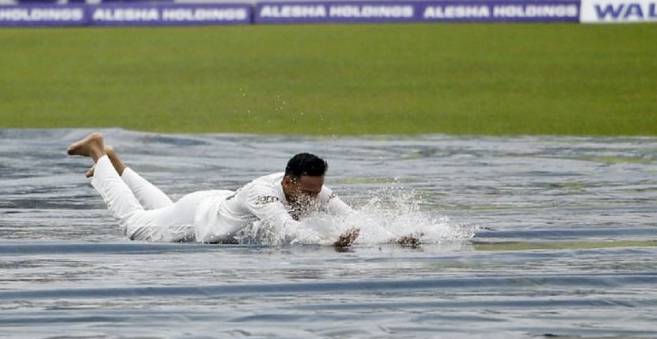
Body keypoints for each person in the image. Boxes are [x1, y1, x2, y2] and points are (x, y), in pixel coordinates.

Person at [67, 132, 419, 249]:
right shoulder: (264, 195)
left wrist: (392, 239)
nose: (314, 199)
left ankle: (118, 165)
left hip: (212, 204)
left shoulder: (313, 187)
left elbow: (353, 216)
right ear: (288, 181)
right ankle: (99, 153)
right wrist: (329, 244)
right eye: (308, 192)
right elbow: (288, 229)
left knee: (161, 212)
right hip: (198, 219)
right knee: (135, 225)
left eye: (318, 191)